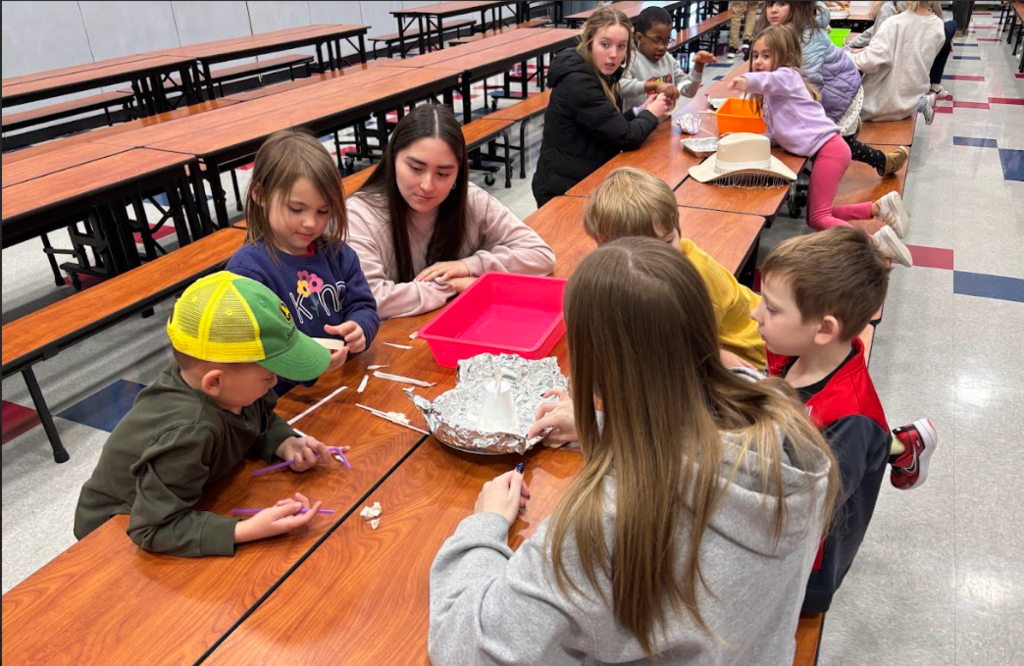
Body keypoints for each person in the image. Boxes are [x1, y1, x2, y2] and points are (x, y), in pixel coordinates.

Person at [430, 237, 839, 665]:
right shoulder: (786, 426)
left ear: (595, 365)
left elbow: (465, 649)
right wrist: (608, 431)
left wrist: (483, 527)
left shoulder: (604, 523)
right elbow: (700, 457)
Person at [74, 272, 343, 557]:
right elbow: (153, 528)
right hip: (116, 530)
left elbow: (256, 419)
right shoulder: (189, 430)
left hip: (179, 499)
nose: (274, 382)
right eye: (268, 376)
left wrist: (284, 442)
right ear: (213, 382)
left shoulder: (226, 388)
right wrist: (247, 529)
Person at [751, 228, 939, 612]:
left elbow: (803, 510)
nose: (755, 313)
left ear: (824, 329)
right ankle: (900, 447)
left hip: (806, 574)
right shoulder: (792, 355)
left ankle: (900, 448)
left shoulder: (849, 422)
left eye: (770, 307)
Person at [347, 104, 554, 319]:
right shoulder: (360, 215)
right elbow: (372, 299)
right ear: (392, 159)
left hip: (459, 323)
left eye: (443, 174)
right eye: (416, 169)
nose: (427, 185)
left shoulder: (470, 199)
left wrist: (468, 265)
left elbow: (541, 255)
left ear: (459, 172)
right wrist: (451, 286)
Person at [730, 25, 915, 266]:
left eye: (766, 55)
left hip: (830, 150)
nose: (758, 61)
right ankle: (878, 208)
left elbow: (769, 79)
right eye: (755, 56)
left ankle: (874, 243)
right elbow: (777, 134)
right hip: (830, 149)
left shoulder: (787, 76)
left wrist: (747, 80)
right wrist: (745, 141)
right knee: (820, 214)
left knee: (818, 219)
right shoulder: (774, 96)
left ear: (785, 58)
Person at [227, 130, 379, 396]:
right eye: (296, 209)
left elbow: (363, 305)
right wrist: (306, 365)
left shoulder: (339, 254)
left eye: (323, 211)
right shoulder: (248, 271)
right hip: (286, 398)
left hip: (341, 382)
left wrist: (360, 328)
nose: (311, 223)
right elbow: (251, 354)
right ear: (260, 195)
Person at [584, 166, 766, 369]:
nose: (660, 257)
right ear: (602, 244)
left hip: (755, 357)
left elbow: (687, 351)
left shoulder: (696, 279)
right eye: (643, 249)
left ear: (678, 229)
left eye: (668, 241)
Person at [532, 6, 673, 207]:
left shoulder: (596, 71)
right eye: (605, 44)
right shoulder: (579, 82)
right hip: (563, 189)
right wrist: (652, 114)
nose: (613, 55)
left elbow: (607, 124)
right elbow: (625, 137)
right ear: (590, 41)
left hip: (581, 175)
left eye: (621, 46)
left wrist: (641, 111)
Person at [756, 2, 907, 178]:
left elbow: (808, 89)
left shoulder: (808, 37)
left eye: (782, 4)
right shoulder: (777, 33)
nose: (773, 10)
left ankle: (884, 161)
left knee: (828, 143)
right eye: (770, 4)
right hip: (820, 91)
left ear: (798, 7)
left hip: (839, 91)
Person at [849, 2, 948, 125]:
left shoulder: (894, 23)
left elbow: (870, 62)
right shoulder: (938, 25)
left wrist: (846, 56)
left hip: (877, 105)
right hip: (910, 103)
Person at [620, 6, 717, 110]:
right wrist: (653, 85)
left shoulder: (668, 60)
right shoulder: (631, 59)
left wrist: (699, 65)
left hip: (665, 122)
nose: (662, 47)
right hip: (638, 124)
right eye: (656, 40)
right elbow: (620, 88)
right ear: (639, 37)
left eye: (666, 41)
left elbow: (688, 91)